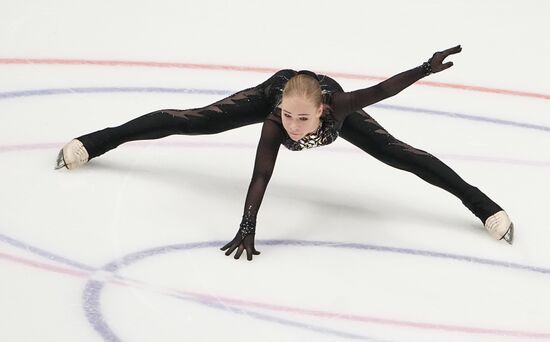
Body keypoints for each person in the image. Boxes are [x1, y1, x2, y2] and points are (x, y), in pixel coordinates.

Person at [55, 45, 514, 261]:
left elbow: (382, 89)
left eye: (301, 120)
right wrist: (247, 225)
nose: (293, 128)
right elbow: (261, 176)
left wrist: (424, 67)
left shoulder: (340, 107)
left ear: (321, 113)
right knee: (187, 120)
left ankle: (485, 206)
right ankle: (93, 142)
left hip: (315, 93)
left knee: (403, 155)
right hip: (274, 87)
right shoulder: (274, 117)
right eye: (287, 119)